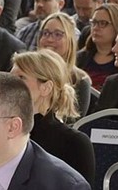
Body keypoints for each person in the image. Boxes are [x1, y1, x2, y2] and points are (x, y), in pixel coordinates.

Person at [10, 49, 93, 182]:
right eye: (10, 77)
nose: (10, 84)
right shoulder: (1, 131)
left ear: (46, 88)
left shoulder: (73, 143)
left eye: (21, 77)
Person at [36, 10, 95, 114]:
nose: (49, 39)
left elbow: (74, 120)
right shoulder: (25, 72)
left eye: (58, 34)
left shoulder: (79, 80)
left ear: (70, 40)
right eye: (45, 33)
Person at [78, 2, 118, 91]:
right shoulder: (80, 58)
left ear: (117, 25)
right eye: (94, 23)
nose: (95, 28)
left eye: (103, 23)